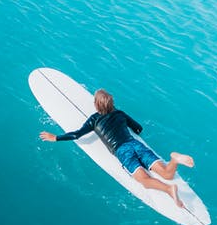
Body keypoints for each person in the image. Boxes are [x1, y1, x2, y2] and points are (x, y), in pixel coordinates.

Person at [39, 89, 194, 207]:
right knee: (167, 173)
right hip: (135, 144)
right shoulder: (120, 113)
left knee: (145, 181)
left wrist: (56, 137)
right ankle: (174, 159)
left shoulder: (94, 120)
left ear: (96, 104)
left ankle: (168, 189)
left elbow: (77, 135)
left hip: (123, 151)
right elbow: (138, 129)